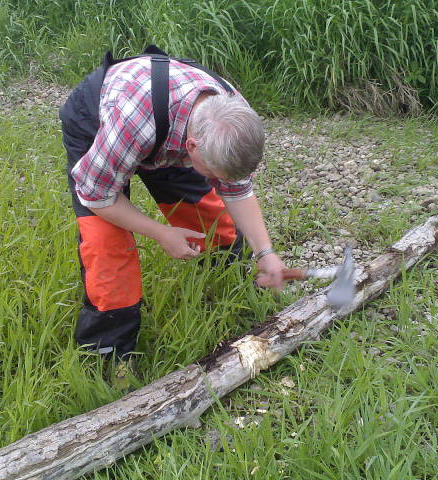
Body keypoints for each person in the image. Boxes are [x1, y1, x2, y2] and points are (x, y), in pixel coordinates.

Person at [59, 47, 285, 388]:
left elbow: (237, 190)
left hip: (165, 128)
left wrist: (265, 252)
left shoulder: (233, 120)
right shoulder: (133, 124)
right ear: (191, 148)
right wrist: (161, 233)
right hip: (102, 122)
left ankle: (228, 291)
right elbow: (96, 195)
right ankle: (110, 356)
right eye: (214, 174)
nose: (219, 181)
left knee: (213, 219)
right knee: (107, 246)